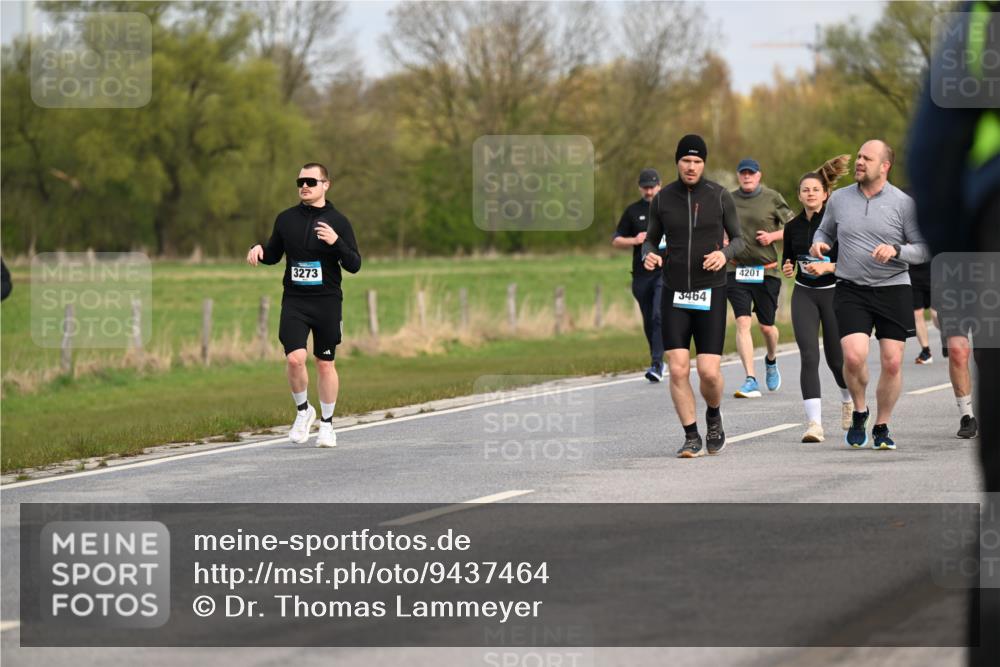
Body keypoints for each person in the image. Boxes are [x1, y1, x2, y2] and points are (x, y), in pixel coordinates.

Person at [809, 140, 930, 450]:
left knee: (891, 363)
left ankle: (882, 425)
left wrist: (897, 250)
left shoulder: (904, 204)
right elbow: (824, 231)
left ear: (884, 166)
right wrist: (819, 244)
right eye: (859, 156)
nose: (859, 162)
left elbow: (923, 248)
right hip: (851, 289)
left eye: (867, 158)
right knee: (853, 356)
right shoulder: (839, 199)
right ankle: (860, 410)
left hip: (893, 288)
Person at [642, 134, 745, 458]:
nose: (691, 166)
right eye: (686, 161)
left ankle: (713, 415)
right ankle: (690, 435)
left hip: (710, 291)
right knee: (677, 368)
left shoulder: (719, 196)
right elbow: (650, 240)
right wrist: (649, 254)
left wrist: (724, 254)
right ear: (677, 162)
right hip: (674, 292)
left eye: (697, 161)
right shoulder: (662, 200)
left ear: (704, 164)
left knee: (710, 372)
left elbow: (740, 240)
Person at [247, 163, 362, 448]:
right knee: (294, 358)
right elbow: (274, 254)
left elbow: (354, 264)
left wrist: (336, 242)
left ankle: (327, 424)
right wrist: (258, 250)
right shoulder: (286, 219)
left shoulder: (339, 221)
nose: (304, 186)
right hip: (295, 301)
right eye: (300, 181)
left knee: (325, 363)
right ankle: (303, 412)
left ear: (326, 184)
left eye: (311, 181)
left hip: (327, 302)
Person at [780, 156, 854, 442]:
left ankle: (849, 401)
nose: (810, 194)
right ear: (799, 195)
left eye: (815, 189)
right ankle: (814, 425)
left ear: (826, 194)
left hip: (834, 293)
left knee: (837, 360)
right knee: (809, 356)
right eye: (805, 190)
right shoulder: (792, 227)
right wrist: (788, 266)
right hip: (804, 293)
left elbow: (849, 260)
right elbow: (789, 258)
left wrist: (827, 266)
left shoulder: (837, 224)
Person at [727, 158, 794, 398]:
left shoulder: (772, 197)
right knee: (743, 322)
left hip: (767, 270)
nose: (747, 177)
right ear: (738, 176)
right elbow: (716, 226)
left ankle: (771, 359)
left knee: (767, 328)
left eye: (751, 173)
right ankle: (750, 378)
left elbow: (795, 227)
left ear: (759, 176)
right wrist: (722, 240)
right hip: (735, 270)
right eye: (743, 173)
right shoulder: (728, 199)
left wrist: (773, 236)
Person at [613, 168, 665, 382]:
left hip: (666, 272)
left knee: (658, 314)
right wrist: (634, 240)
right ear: (640, 188)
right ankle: (657, 358)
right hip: (642, 275)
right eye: (646, 187)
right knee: (648, 320)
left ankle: (657, 364)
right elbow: (616, 240)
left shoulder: (670, 208)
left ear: (659, 185)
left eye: (652, 187)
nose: (649, 191)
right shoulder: (632, 211)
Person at [909, 261, 935, 364]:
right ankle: (926, 351)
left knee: (936, 313)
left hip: (934, 272)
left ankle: (946, 337)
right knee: (917, 314)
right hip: (913, 276)